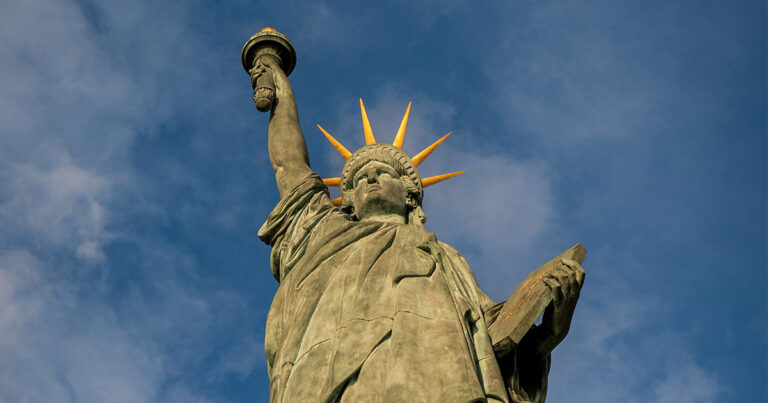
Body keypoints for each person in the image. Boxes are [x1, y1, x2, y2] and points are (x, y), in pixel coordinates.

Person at [253, 57, 585, 403]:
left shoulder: (445, 259)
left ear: (410, 196)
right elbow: (288, 165)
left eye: (383, 173)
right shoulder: (324, 233)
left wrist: (551, 329)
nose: (369, 178)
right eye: (358, 180)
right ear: (348, 202)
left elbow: (495, 343)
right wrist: (279, 86)